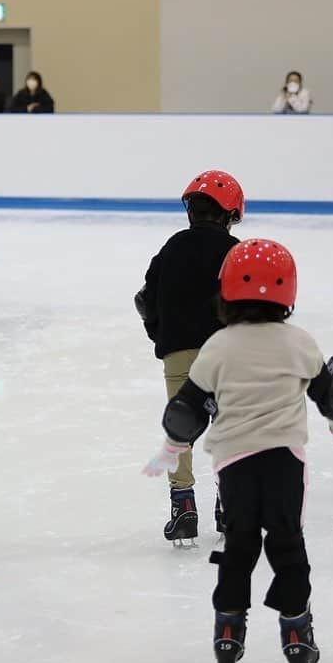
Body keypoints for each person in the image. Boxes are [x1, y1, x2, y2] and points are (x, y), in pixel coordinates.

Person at [144, 239, 333, 663]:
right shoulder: (299, 342)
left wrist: (171, 448)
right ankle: (297, 634)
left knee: (240, 545)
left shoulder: (218, 346)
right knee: (287, 544)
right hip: (285, 461)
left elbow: (186, 410)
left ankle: (228, 629)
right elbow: (331, 394)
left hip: (234, 463)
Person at [134, 171, 243, 547]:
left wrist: (162, 337)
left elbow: (145, 300)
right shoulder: (236, 251)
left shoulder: (171, 247)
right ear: (229, 215)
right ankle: (229, 506)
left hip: (179, 352)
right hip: (226, 353)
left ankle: (183, 508)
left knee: (181, 426)